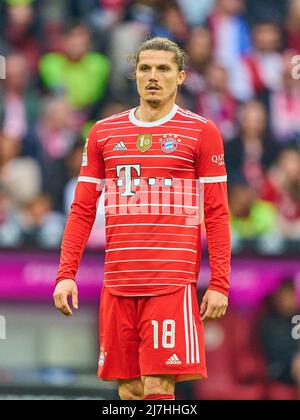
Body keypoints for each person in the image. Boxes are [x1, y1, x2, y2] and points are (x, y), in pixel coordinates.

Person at [53, 37, 231, 400]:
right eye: (145, 68)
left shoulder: (201, 132)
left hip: (170, 283)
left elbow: (216, 212)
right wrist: (65, 274)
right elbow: (83, 210)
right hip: (117, 283)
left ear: (180, 76)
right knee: (130, 390)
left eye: (163, 69)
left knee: (157, 386)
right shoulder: (104, 132)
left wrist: (220, 283)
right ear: (134, 74)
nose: (153, 76)